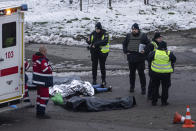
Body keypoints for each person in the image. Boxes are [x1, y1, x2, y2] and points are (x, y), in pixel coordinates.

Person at [122, 23, 150, 94]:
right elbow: (124, 44)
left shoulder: (143, 36)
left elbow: (149, 45)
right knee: (131, 74)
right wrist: (125, 51)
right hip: (131, 57)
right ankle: (132, 87)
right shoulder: (128, 36)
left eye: (135, 29)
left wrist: (145, 50)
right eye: (133, 29)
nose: (134, 30)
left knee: (141, 74)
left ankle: (143, 88)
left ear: (138, 29)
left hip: (140, 58)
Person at [148, 41, 176, 106]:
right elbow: (174, 60)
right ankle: (164, 102)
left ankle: (154, 102)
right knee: (165, 88)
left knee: (155, 87)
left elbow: (149, 58)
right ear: (165, 47)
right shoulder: (169, 53)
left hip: (155, 73)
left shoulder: (154, 52)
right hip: (166, 74)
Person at [32, 45, 53, 119]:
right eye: (45, 51)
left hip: (38, 82)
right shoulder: (42, 60)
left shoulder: (36, 60)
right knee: (45, 97)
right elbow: (45, 70)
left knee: (39, 97)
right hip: (43, 82)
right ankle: (41, 113)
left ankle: (38, 111)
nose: (46, 52)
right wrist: (50, 67)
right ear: (43, 52)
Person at [86, 22, 110, 86]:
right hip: (94, 53)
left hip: (102, 53)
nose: (97, 30)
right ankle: (94, 80)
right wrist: (87, 40)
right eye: (96, 29)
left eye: (98, 29)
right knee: (94, 67)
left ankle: (103, 80)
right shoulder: (93, 33)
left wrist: (96, 44)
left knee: (102, 66)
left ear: (100, 29)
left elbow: (105, 41)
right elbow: (89, 41)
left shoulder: (105, 33)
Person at [146, 32, 167, 100]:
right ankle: (149, 95)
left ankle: (156, 94)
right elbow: (148, 55)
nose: (161, 39)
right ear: (156, 38)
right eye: (159, 38)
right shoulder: (151, 45)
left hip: (158, 66)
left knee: (156, 81)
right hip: (152, 65)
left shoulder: (161, 44)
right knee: (152, 81)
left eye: (161, 38)